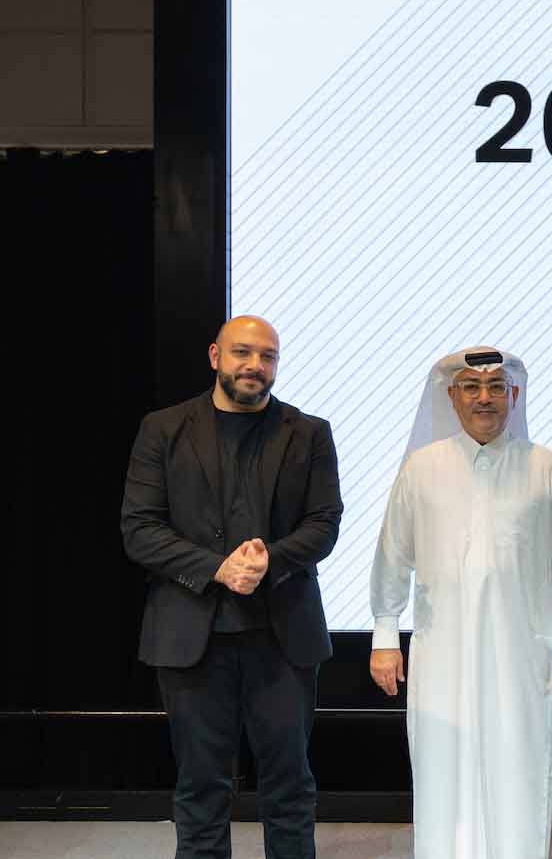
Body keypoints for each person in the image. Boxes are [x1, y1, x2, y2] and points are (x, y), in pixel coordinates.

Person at [120, 315, 343, 859]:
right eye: (243, 352)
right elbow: (140, 528)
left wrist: (271, 560)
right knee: (201, 788)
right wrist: (217, 568)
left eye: (267, 356)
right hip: (191, 638)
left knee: (290, 787)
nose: (255, 365)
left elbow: (324, 522)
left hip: (283, 637)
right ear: (215, 356)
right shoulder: (163, 428)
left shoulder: (309, 432)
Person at [368, 347, 552, 859]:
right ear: (452, 396)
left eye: (495, 388)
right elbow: (393, 555)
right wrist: (385, 637)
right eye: (471, 387)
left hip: (523, 651)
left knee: (519, 764)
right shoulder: (421, 468)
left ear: (514, 395)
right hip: (441, 652)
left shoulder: (546, 467)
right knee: (443, 767)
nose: (484, 398)